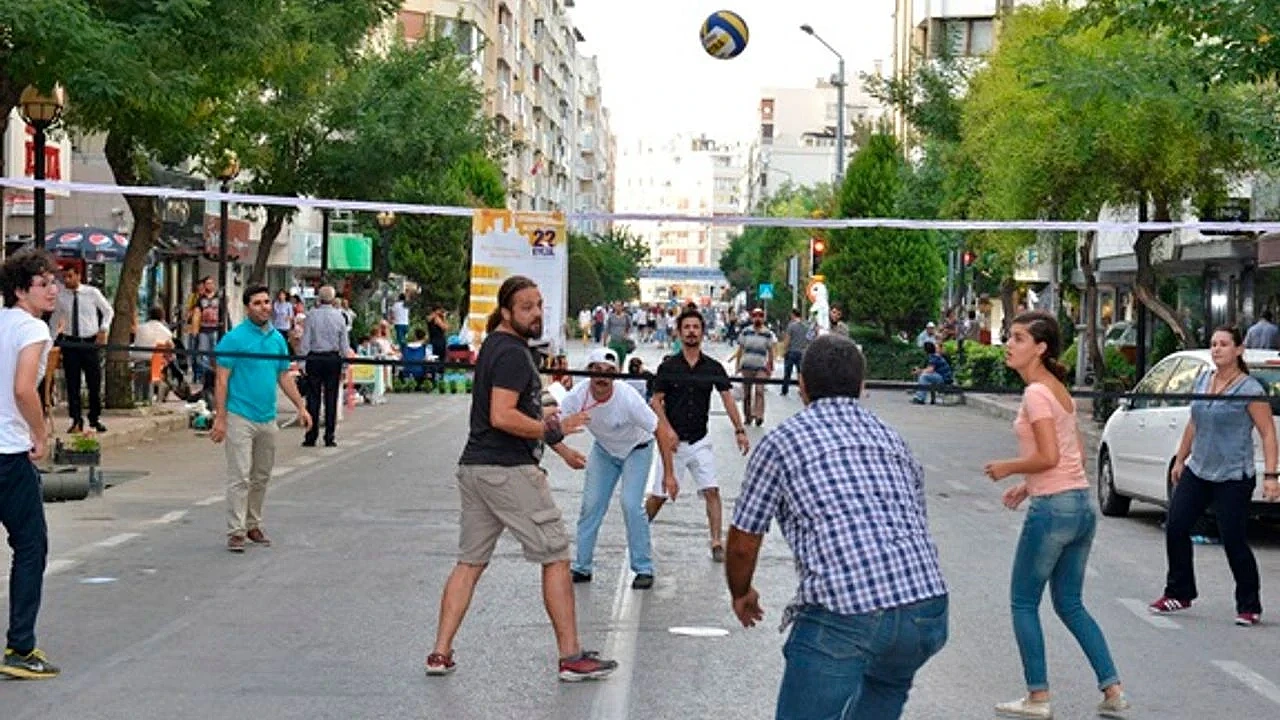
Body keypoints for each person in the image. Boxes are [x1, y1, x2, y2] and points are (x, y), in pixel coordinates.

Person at [727, 334, 948, 719]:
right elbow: (916, 521)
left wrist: (740, 591)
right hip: (926, 610)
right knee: (884, 692)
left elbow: (745, 541)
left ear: (802, 386)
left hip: (847, 611)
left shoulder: (782, 441)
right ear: (862, 387)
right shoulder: (891, 438)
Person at [425, 275, 617, 682]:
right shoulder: (511, 353)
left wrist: (559, 445)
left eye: (540, 305)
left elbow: (524, 414)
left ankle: (440, 652)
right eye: (527, 307)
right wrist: (555, 429)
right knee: (557, 556)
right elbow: (503, 416)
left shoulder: (498, 347)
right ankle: (570, 657)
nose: (537, 313)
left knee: (469, 562)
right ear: (507, 311)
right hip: (506, 471)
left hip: (475, 469)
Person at [983, 311, 1129, 719]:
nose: (1009, 344)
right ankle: (1113, 689)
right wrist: (1026, 486)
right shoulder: (1058, 390)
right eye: (1009, 337)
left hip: (1053, 511)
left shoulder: (1035, 394)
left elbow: (1048, 456)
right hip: (1081, 505)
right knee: (1070, 603)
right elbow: (1074, 456)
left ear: (1040, 348)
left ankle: (1038, 697)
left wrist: (1009, 468)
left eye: (1018, 338)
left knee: (1023, 602)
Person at [1149, 325, 1280, 625]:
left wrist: (1271, 476)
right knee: (1176, 526)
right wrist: (1180, 459)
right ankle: (1179, 592)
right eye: (1213, 344)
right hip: (1199, 470)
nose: (1217, 349)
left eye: (1223, 344)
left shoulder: (1250, 389)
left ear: (1238, 350)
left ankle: (1249, 604)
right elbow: (1194, 422)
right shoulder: (1204, 378)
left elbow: (1268, 433)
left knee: (1233, 539)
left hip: (1233, 475)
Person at [211, 285, 312, 553]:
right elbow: (221, 379)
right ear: (247, 307)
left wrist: (301, 407)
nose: (264, 307)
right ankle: (236, 531)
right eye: (258, 303)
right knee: (240, 475)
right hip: (239, 415)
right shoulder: (234, 339)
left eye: (267, 302)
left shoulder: (277, 339)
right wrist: (220, 417)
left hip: (268, 417)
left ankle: (253, 523)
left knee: (261, 475)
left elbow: (284, 375)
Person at [645, 308, 750, 562]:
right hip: (673, 444)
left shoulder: (713, 367)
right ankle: (638, 531)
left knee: (712, 491)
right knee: (658, 496)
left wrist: (739, 429)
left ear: (703, 332)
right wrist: (666, 429)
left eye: (696, 327)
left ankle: (716, 542)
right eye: (687, 327)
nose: (692, 332)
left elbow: (727, 399)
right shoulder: (669, 367)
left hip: (700, 441)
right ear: (679, 333)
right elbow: (655, 402)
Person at [0, 250, 61, 679]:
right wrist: (39, 433)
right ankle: (20, 647)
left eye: (54, 281)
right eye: (43, 283)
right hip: (8, 454)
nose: (53, 288)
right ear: (21, 291)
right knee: (30, 546)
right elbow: (24, 389)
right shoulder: (32, 327)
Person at [560, 348, 659, 590]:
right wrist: (565, 452)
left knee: (630, 504)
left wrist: (669, 473)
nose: (603, 378)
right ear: (588, 373)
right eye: (597, 371)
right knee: (591, 505)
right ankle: (582, 566)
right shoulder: (578, 395)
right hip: (604, 451)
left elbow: (659, 429)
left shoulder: (628, 398)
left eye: (609, 373)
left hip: (638, 448)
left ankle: (643, 567)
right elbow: (554, 424)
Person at [48, 263, 113, 434]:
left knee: (94, 382)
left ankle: (94, 417)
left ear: (78, 276)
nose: (67, 280)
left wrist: (103, 329)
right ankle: (76, 419)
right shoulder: (62, 296)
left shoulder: (92, 293)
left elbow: (107, 311)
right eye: (65, 277)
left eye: (70, 276)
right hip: (71, 342)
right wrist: (51, 338)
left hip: (90, 341)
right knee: (72, 382)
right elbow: (56, 317)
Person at [300, 286, 350, 448]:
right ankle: (330, 436)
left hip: (314, 358)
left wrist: (302, 362)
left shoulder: (311, 316)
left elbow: (305, 341)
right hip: (332, 358)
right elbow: (344, 343)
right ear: (333, 299)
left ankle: (311, 435)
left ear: (319, 299)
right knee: (331, 397)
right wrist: (344, 365)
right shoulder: (340, 317)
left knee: (312, 398)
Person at [733, 308, 776, 427]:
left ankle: (759, 415)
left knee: (759, 390)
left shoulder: (767, 333)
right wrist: (737, 366)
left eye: (760, 316)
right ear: (752, 318)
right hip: (746, 366)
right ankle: (748, 416)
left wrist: (770, 365)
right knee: (747, 393)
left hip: (761, 367)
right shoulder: (746, 332)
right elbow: (740, 350)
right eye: (755, 315)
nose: (758, 318)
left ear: (763, 318)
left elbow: (771, 350)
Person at [189, 276, 221, 384]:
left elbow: (224, 313)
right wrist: (195, 330)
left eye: (211, 283)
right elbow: (196, 314)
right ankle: (206, 375)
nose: (209, 285)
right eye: (207, 283)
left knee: (214, 354)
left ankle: (213, 375)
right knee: (203, 354)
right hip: (203, 329)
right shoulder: (200, 299)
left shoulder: (219, 298)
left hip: (216, 329)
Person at [779, 308, 809, 397]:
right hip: (803, 352)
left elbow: (787, 339)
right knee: (801, 373)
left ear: (793, 315)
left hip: (792, 352)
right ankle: (802, 390)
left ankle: (784, 390)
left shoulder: (791, 325)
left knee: (787, 372)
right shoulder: (806, 326)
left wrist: (784, 350)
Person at [604, 301, 632, 365]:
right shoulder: (611, 317)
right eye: (616, 305)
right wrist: (605, 340)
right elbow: (607, 329)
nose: (617, 307)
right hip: (613, 341)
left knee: (621, 361)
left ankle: (620, 373)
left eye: (619, 306)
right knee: (611, 360)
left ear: (622, 307)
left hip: (623, 342)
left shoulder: (626, 317)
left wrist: (627, 334)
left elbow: (630, 327)